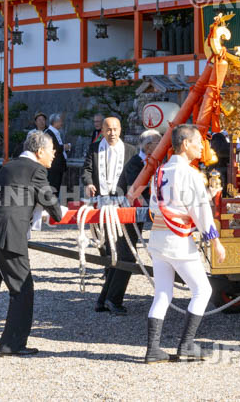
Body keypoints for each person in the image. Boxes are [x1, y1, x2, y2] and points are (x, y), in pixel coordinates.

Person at [0, 130, 63, 356]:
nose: (54, 155)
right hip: (8, 237)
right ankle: (12, 345)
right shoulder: (36, 170)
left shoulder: (9, 166)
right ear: (40, 152)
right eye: (52, 151)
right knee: (22, 290)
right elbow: (55, 209)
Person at [144, 125, 226, 363]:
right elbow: (201, 213)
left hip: (158, 239)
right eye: (198, 141)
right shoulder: (190, 174)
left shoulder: (159, 172)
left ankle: (153, 349)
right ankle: (187, 344)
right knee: (203, 290)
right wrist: (216, 242)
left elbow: (155, 208)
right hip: (179, 241)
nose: (202, 146)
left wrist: (205, 195)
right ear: (185, 144)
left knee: (162, 293)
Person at [96, 129, 160, 315]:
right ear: (148, 146)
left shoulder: (147, 163)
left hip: (133, 215)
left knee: (122, 257)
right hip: (125, 214)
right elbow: (137, 189)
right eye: (158, 142)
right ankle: (113, 300)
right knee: (126, 258)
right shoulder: (135, 164)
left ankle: (104, 300)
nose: (161, 145)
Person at [44, 113, 70, 200]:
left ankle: (54, 204)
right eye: (60, 121)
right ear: (55, 122)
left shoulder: (55, 132)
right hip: (53, 166)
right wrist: (64, 147)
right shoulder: (48, 133)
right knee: (53, 187)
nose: (61, 123)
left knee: (56, 188)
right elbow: (53, 148)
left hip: (58, 166)